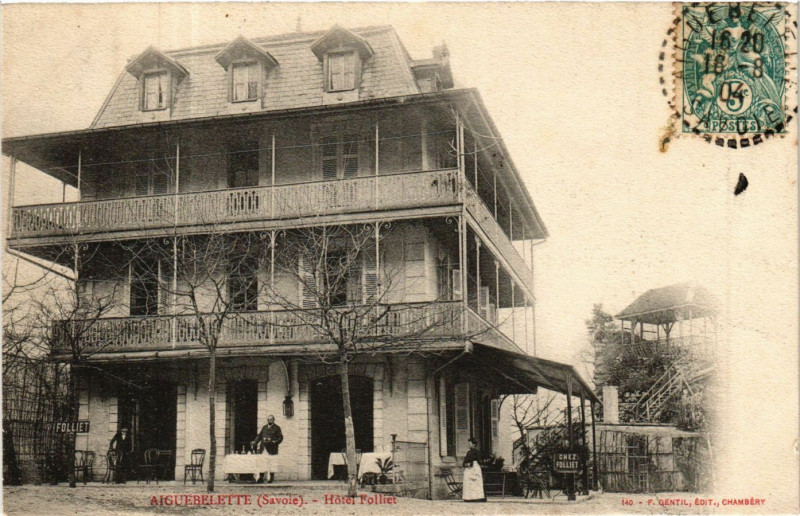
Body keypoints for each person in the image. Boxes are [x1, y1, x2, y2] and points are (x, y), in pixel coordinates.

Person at [252, 415, 283, 483]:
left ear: (274, 420)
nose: (269, 421)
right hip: (263, 448)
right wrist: (255, 442)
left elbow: (280, 438)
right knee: (262, 462)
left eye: (271, 419)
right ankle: (261, 478)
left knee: (272, 463)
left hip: (272, 449)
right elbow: (259, 436)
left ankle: (271, 478)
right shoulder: (264, 427)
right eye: (268, 420)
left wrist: (274, 442)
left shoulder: (277, 428)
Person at [462, 437, 486, 502]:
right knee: (468, 483)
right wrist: (465, 464)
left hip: (474, 469)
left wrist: (473, 465)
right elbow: (465, 461)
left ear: (474, 444)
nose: (468, 445)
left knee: (475, 483)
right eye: (468, 444)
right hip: (468, 469)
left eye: (469, 443)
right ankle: (468, 497)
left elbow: (479, 461)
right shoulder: (468, 452)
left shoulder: (477, 452)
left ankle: (477, 497)